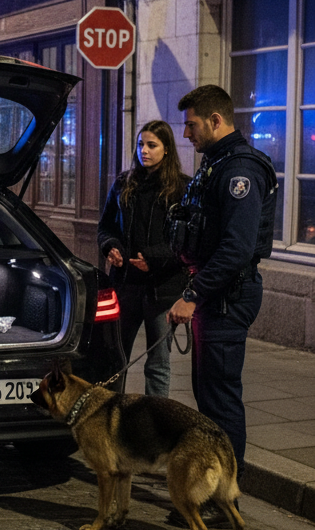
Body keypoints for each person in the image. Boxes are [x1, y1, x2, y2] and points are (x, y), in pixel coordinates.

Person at [165, 84, 277, 475]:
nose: (186, 133)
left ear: (216, 120)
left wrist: (193, 294)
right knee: (210, 395)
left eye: (191, 124)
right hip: (217, 294)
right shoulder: (217, 162)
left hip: (227, 296)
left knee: (220, 400)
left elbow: (237, 247)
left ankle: (223, 496)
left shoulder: (239, 170)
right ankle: (214, 488)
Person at [98, 120, 188, 397]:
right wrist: (110, 246)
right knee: (115, 358)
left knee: (157, 363)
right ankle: (110, 416)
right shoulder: (124, 183)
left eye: (152, 145)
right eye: (140, 144)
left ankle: (155, 422)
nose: (144, 151)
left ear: (167, 149)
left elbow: (184, 243)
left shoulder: (182, 188)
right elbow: (105, 227)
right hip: (125, 286)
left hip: (163, 289)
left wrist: (153, 258)